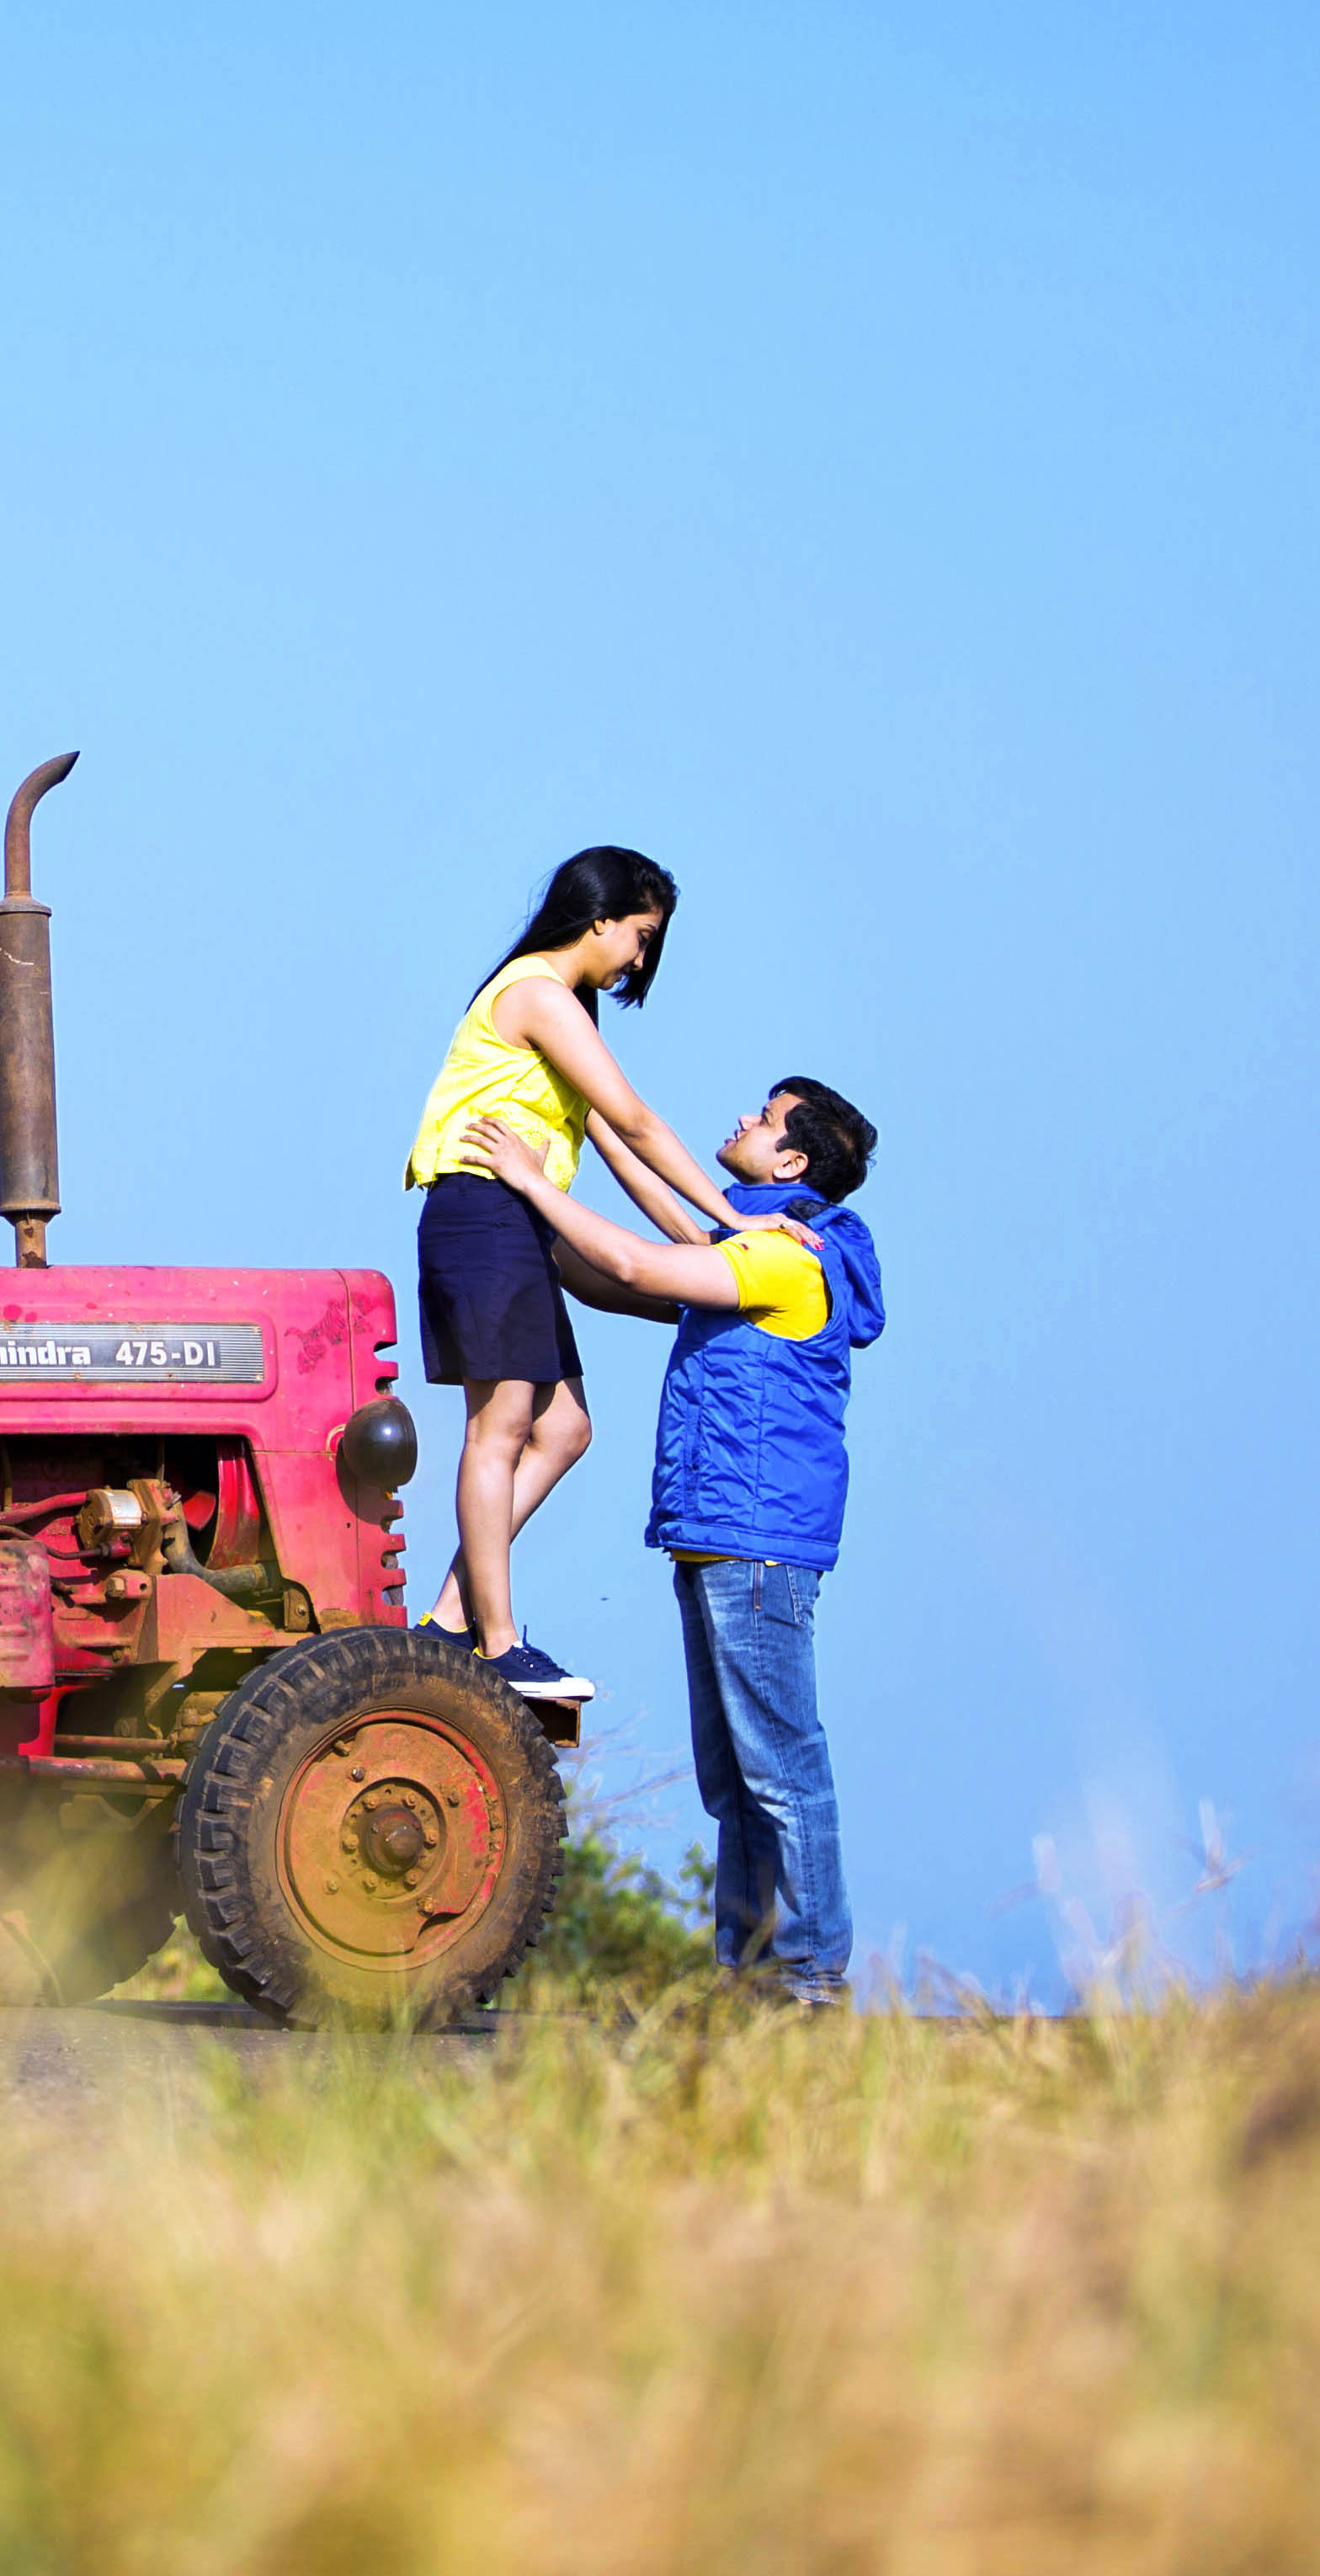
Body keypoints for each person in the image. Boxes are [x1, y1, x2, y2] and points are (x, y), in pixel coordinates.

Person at [466, 1076, 882, 2004]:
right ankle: (750, 1974)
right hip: (716, 1536)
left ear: (791, 1162)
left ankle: (810, 1977)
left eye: (763, 1119)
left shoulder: (785, 1260)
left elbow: (639, 1267)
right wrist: (586, 1123)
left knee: (781, 1770)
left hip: (756, 1543)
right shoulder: (743, 1247)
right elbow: (632, 1255)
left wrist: (533, 1181)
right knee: (734, 1780)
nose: (742, 1120)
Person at [397, 849, 791, 1704]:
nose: (640, 961)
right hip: (482, 1209)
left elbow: (615, 1146)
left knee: (565, 1428)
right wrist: (736, 1222)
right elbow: (639, 1122)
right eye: (641, 937)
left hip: (518, 1220)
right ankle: (497, 1642)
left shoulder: (570, 1008)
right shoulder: (536, 992)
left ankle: (449, 1619)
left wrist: (704, 1245)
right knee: (500, 1426)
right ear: (600, 917)